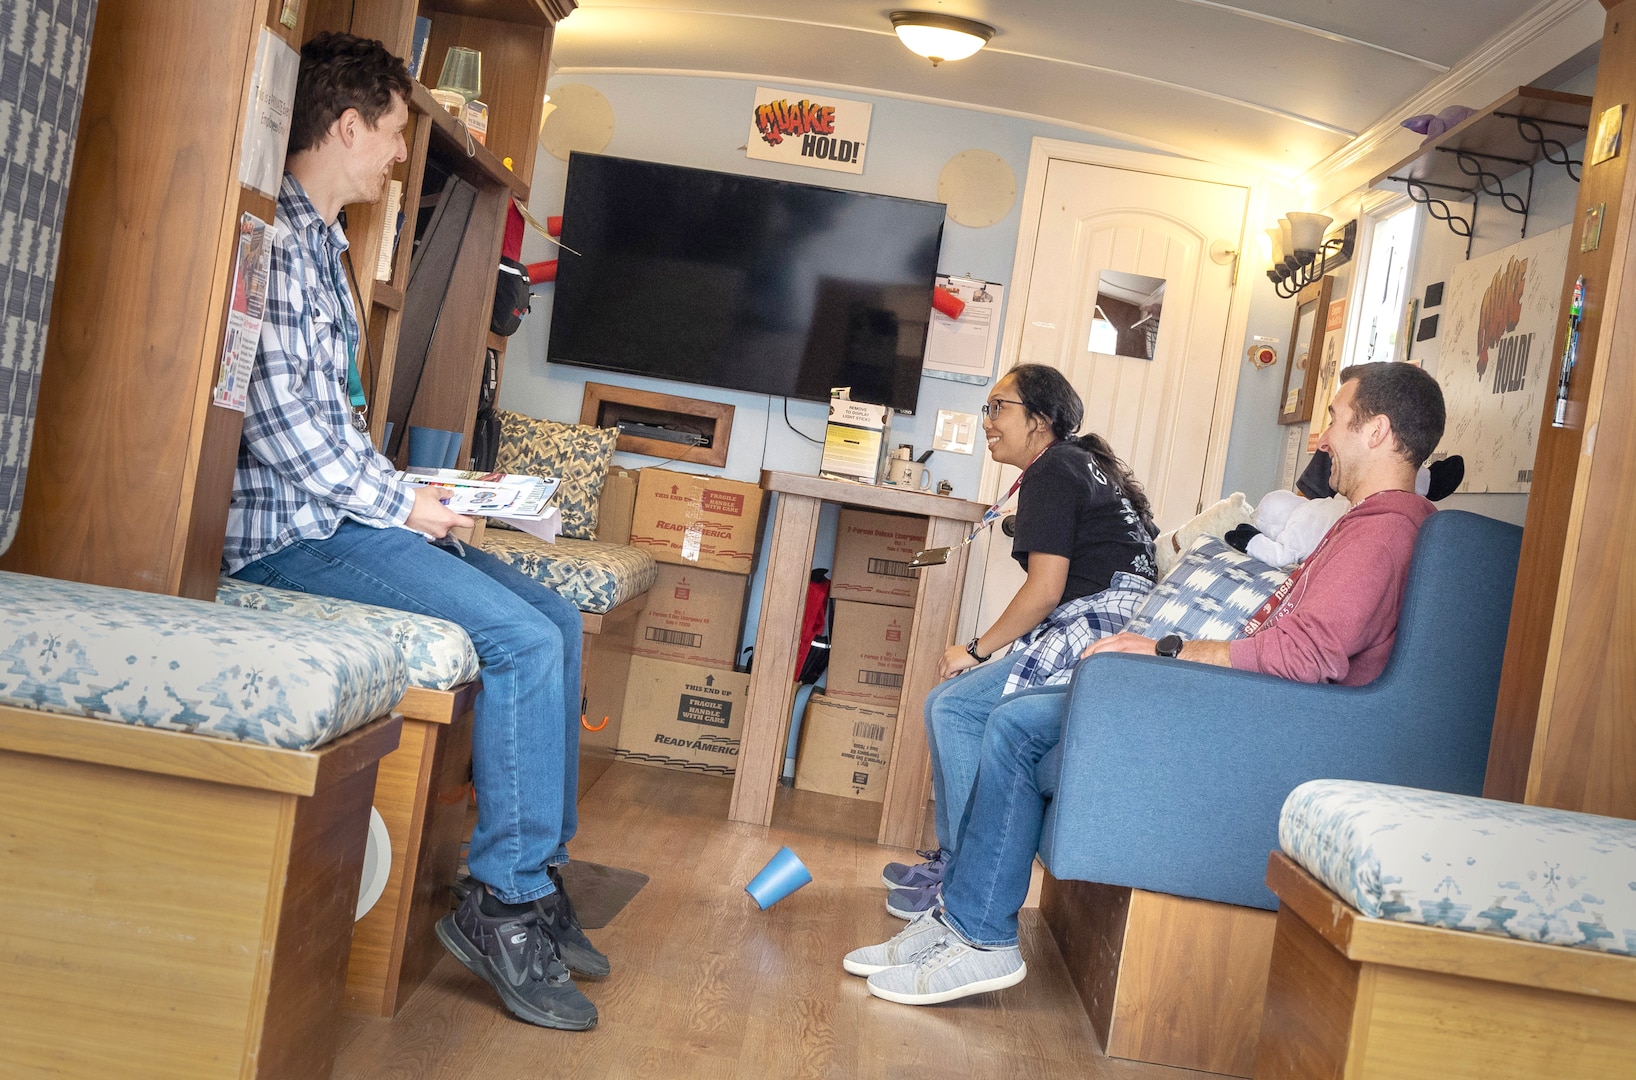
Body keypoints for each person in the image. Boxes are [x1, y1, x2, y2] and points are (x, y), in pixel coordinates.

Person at [847, 361, 1447, 1005]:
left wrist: (1168, 650)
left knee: (1012, 721)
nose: (1320, 438)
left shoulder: (1380, 530)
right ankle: (963, 919)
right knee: (1013, 715)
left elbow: (1307, 655)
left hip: (1261, 719)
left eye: (1334, 419)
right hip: (1256, 706)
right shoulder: (1370, 524)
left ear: (1378, 431)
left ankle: (981, 934)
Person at [222, 33, 603, 1032]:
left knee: (554, 616)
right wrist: (405, 504)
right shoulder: (276, 237)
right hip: (292, 535)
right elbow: (280, 426)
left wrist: (419, 492)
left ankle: (539, 873)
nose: (399, 157)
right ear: (347, 126)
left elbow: (329, 422)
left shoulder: (324, 244)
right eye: (394, 135)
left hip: (343, 508)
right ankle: (502, 902)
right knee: (515, 640)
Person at [880, 364, 1157, 921]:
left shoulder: (1053, 471)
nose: (988, 421)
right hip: (1120, 624)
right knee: (958, 707)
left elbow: (1045, 591)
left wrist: (975, 650)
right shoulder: (1078, 465)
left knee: (952, 706)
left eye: (998, 407)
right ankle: (959, 864)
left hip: (1097, 627)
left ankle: (960, 875)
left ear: (1040, 420)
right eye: (987, 409)